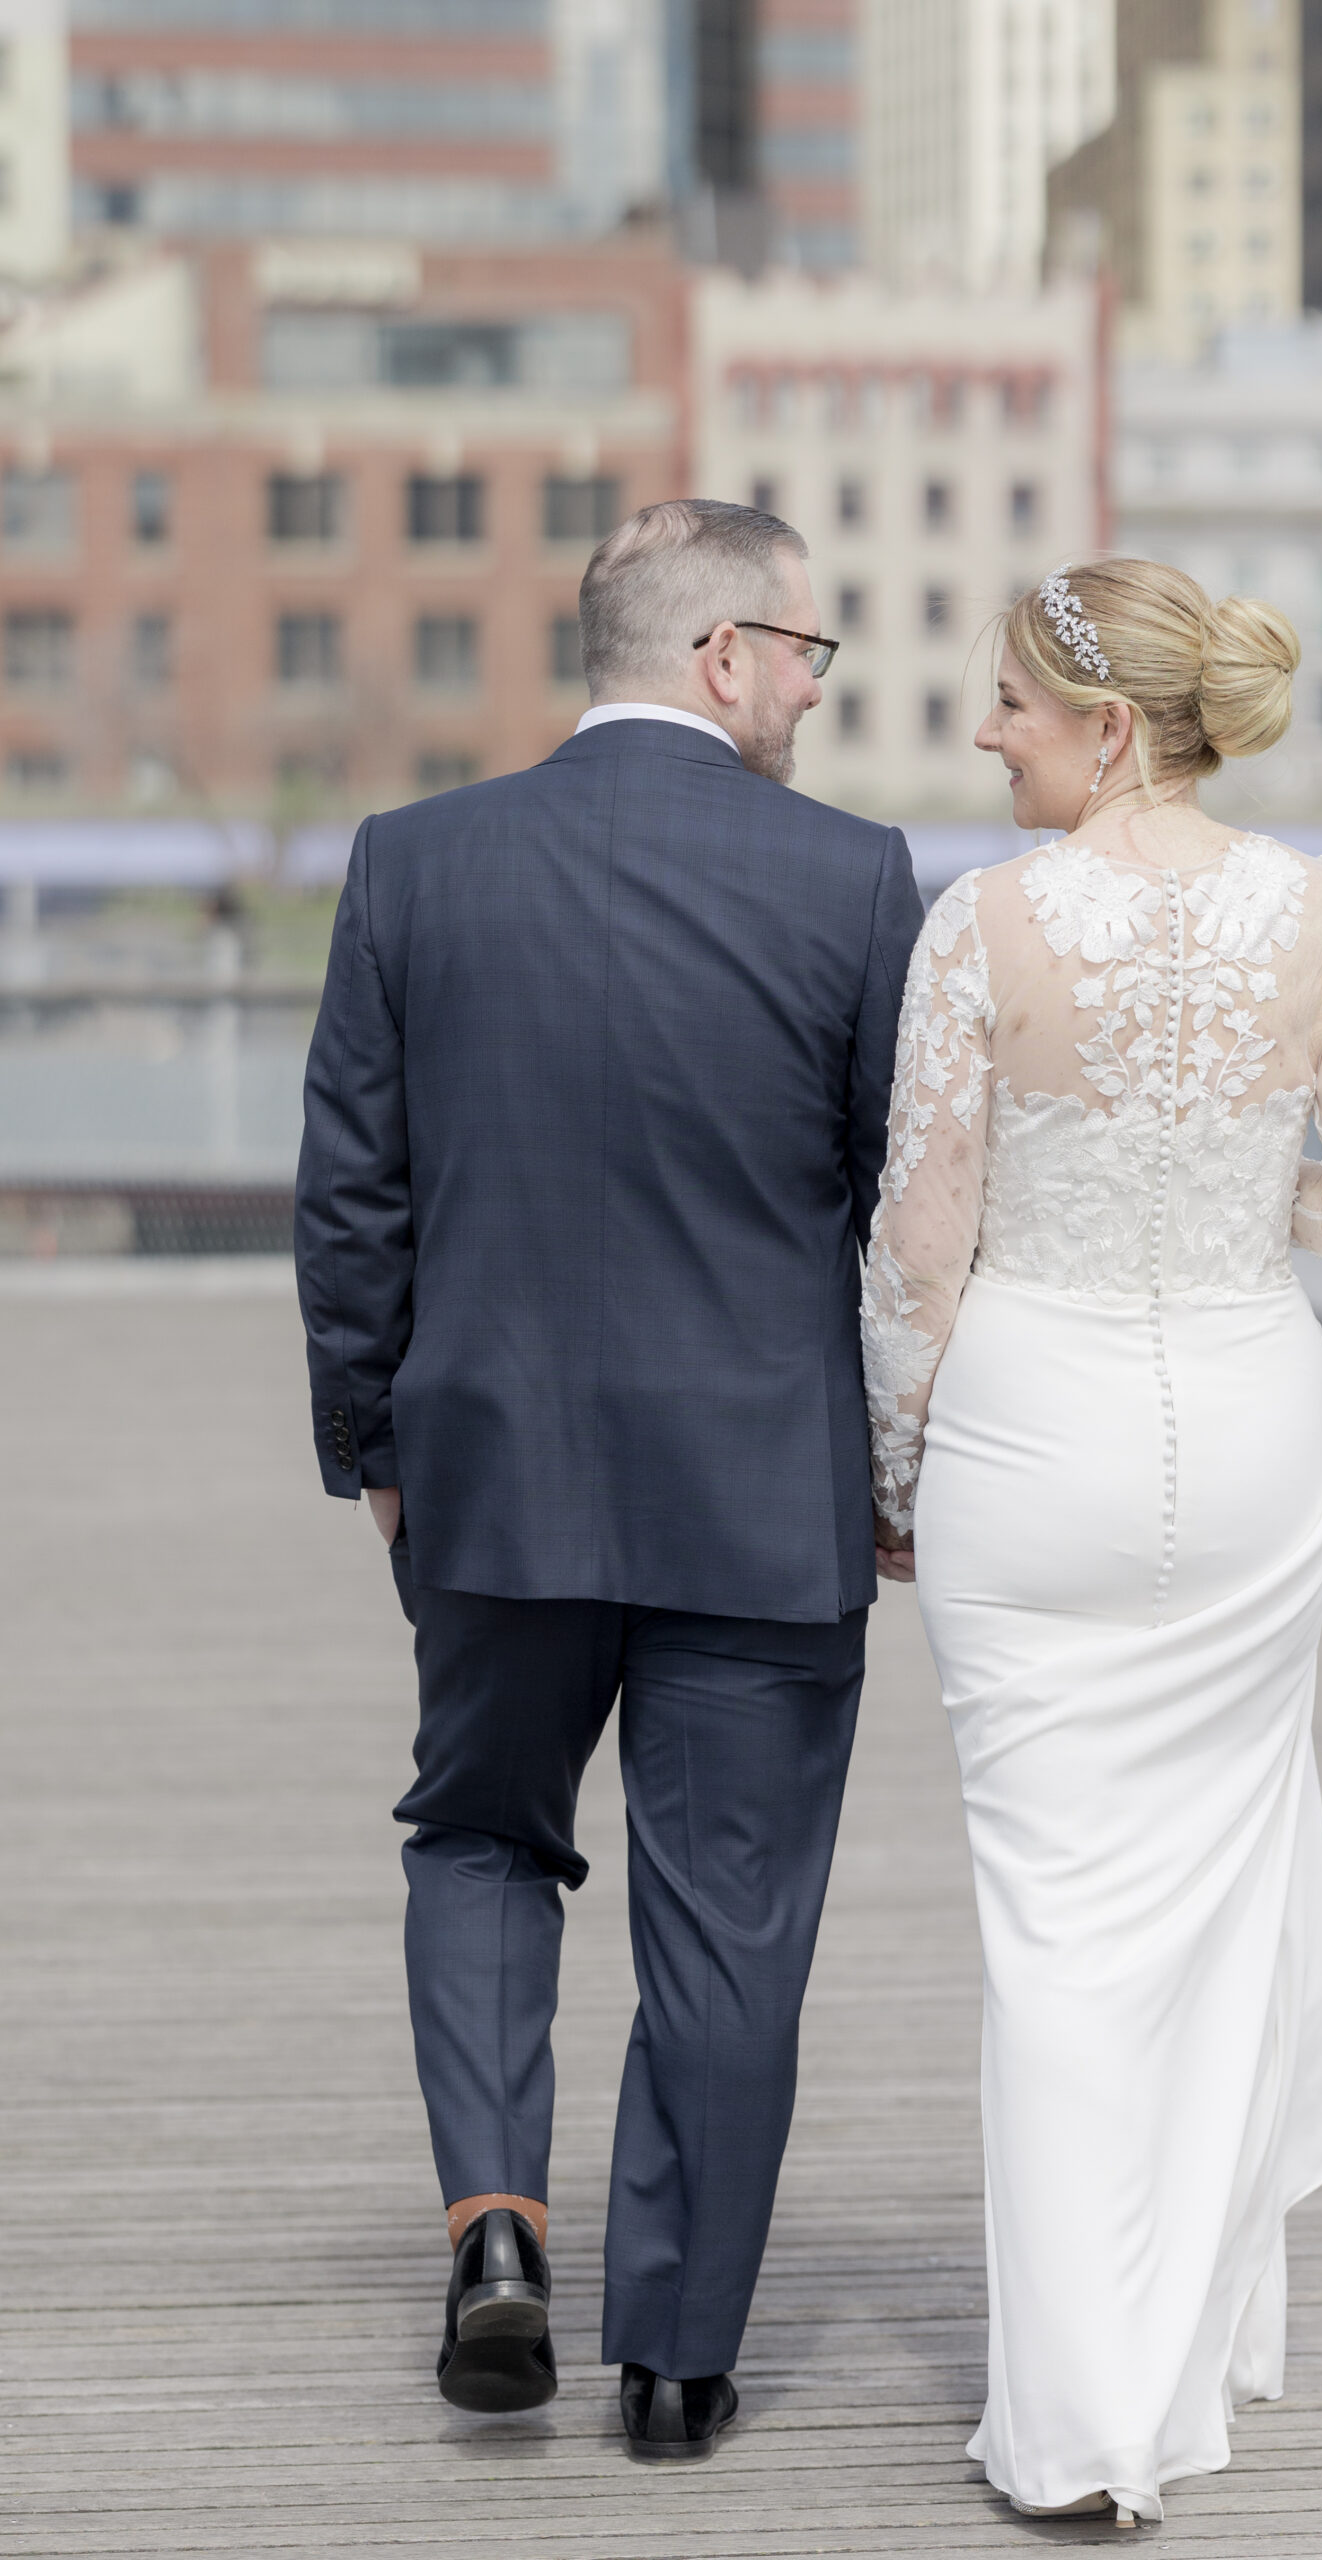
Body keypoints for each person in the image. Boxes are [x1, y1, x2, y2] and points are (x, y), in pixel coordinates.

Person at [295, 499, 922, 2456]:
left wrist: (377, 1447)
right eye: (809, 652)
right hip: (762, 1487)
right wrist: (894, 1473)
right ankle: (673, 2358)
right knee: (727, 1913)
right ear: (724, 653)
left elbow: (349, 1200)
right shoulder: (852, 881)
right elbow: (908, 1213)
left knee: (480, 1837)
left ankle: (496, 2230)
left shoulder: (413, 864)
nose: (817, 688)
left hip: (498, 1473)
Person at [860, 559, 1322, 2527]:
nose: (984, 728)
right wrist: (1214, 1162)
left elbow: (924, 1235)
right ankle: (1175, 2355)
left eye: (1009, 699)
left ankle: (1082, 2419)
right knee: (1212, 1893)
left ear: (1111, 728)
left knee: (1058, 1924)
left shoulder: (982, 925)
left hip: (1036, 1430)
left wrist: (892, 1467)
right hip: (1256, 1432)